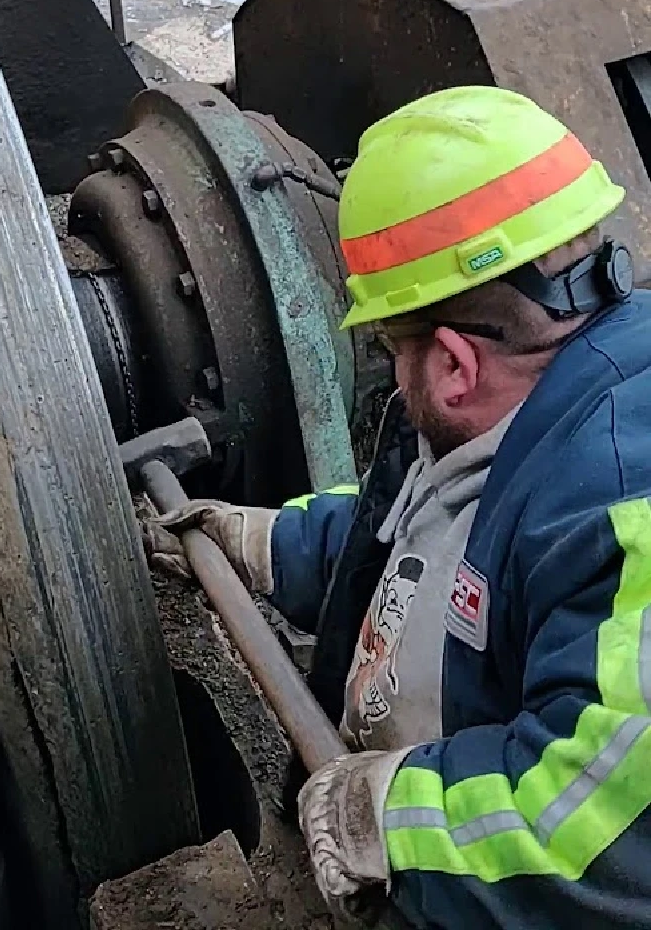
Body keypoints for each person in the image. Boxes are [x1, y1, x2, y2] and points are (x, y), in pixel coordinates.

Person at [146, 85, 651, 929]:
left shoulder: (622, 508)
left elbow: (606, 830)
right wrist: (267, 544)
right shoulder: (524, 411)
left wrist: (383, 820)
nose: (388, 365)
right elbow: (417, 536)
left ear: (454, 363)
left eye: (390, 345)